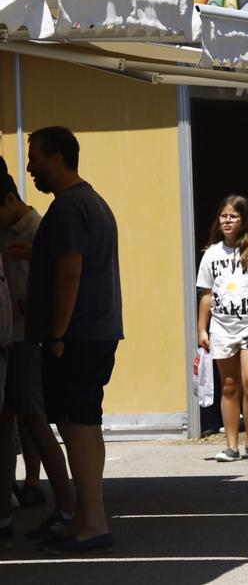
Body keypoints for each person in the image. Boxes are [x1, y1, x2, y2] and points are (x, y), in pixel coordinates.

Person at [25, 126, 123, 555]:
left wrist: (57, 333)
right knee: (84, 424)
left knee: (77, 426)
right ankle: (87, 518)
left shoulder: (68, 207)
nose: (30, 167)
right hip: (95, 331)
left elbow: (71, 273)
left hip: (77, 335)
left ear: (57, 158)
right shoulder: (91, 202)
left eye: (35, 157)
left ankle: (93, 525)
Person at [0, 172, 75, 549]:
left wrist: (36, 308)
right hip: (8, 338)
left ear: (9, 199)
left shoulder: (38, 229)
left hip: (25, 339)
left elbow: (60, 280)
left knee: (34, 419)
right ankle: (10, 507)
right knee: (11, 422)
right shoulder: (8, 229)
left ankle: (67, 504)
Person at [197, 196, 248, 463]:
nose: (227, 221)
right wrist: (202, 329)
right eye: (224, 216)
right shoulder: (212, 254)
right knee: (229, 385)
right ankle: (231, 447)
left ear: (244, 220)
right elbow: (206, 294)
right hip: (222, 328)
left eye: (233, 216)